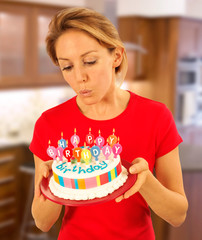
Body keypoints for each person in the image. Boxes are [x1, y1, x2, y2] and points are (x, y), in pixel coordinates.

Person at [30, 7, 188, 240]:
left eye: (90, 61)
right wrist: (51, 183)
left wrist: (146, 182)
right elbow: (43, 223)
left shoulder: (155, 116)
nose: (79, 77)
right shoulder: (49, 124)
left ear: (116, 56)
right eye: (67, 67)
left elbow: (178, 215)